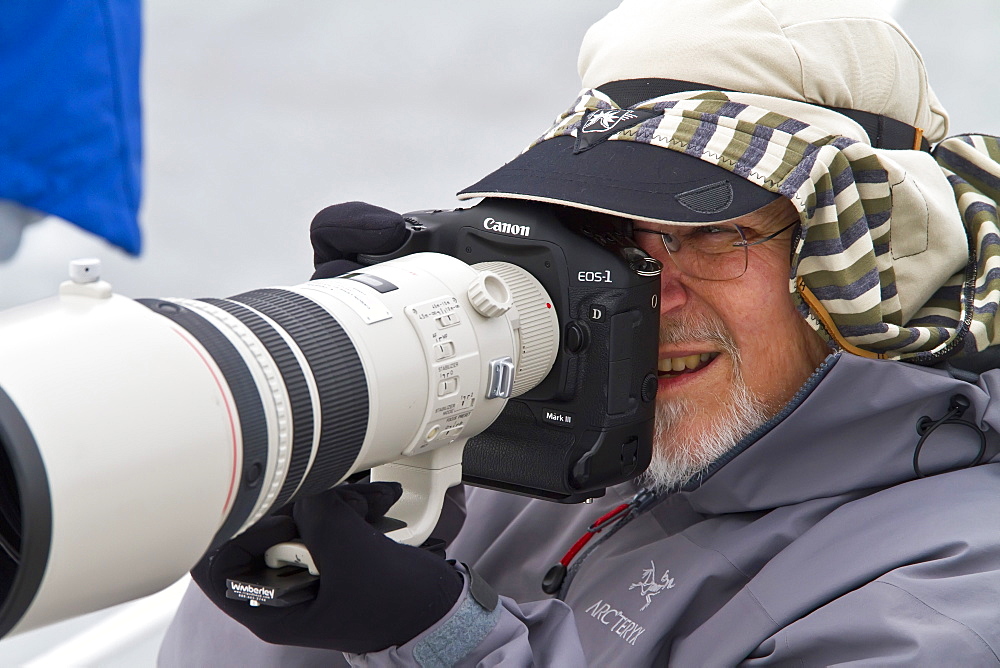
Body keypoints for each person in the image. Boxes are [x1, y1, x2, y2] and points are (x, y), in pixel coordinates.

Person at [160, 0, 1000, 664]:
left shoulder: (949, 593)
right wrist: (351, 413)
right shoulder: (538, 441)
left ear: (875, 260)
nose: (648, 296)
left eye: (711, 235)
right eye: (606, 236)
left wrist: (436, 636)